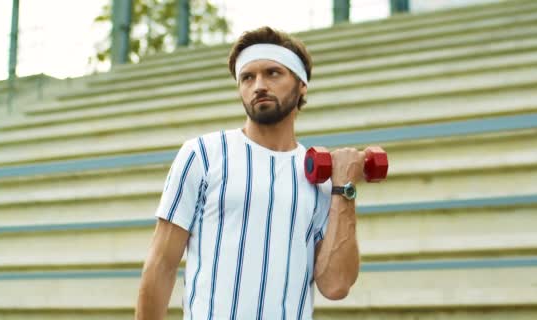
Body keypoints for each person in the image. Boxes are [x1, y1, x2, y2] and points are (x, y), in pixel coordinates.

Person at [135, 26, 365, 320]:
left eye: (273, 73)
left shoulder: (321, 179)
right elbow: (161, 264)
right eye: (248, 77)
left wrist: (343, 188)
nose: (259, 85)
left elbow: (336, 286)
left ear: (302, 85)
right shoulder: (203, 155)